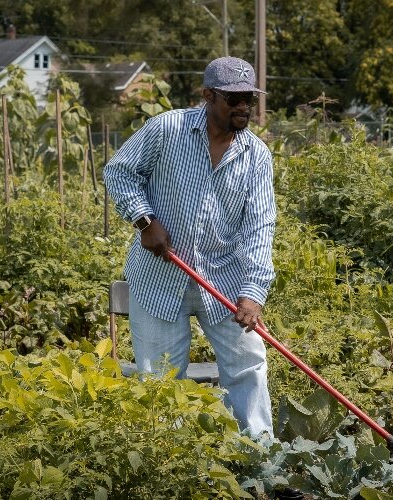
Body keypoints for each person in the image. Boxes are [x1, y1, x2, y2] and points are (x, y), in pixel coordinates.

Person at [103, 56, 276, 436]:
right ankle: (172, 468)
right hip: (160, 278)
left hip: (225, 283)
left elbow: (260, 228)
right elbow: (119, 172)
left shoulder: (256, 156)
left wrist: (253, 293)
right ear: (208, 96)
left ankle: (260, 463)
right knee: (161, 379)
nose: (244, 107)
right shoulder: (168, 129)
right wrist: (144, 220)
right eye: (234, 99)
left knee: (249, 365)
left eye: (249, 98)